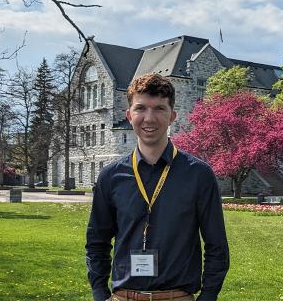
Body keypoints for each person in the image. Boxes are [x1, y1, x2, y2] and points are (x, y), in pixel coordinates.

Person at [85, 73, 229, 301]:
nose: (149, 118)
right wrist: (100, 294)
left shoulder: (199, 175)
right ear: (129, 115)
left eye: (159, 109)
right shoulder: (110, 177)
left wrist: (208, 296)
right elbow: (96, 243)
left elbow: (216, 246)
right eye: (141, 108)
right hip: (124, 296)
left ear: (172, 116)